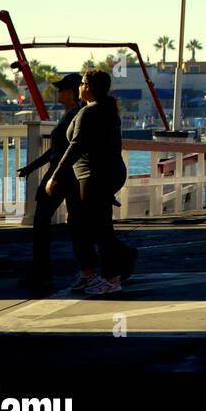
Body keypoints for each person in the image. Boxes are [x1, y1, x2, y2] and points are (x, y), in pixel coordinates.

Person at [45, 69, 137, 295]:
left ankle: (111, 279)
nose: (79, 86)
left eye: (82, 83)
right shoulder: (106, 111)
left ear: (88, 87)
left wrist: (55, 177)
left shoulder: (90, 112)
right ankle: (91, 273)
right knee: (85, 224)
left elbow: (75, 146)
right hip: (104, 174)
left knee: (100, 228)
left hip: (94, 175)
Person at [16, 73, 87, 294]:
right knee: (77, 225)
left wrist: (51, 175)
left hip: (60, 176)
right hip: (65, 175)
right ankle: (88, 269)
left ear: (71, 93)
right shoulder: (71, 116)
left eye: (62, 89)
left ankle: (43, 273)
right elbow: (57, 149)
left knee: (43, 223)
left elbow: (66, 150)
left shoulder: (74, 116)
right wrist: (32, 166)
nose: (58, 93)